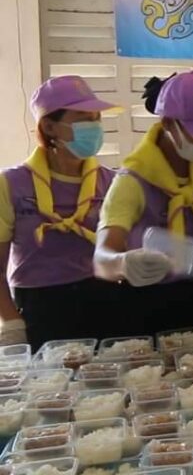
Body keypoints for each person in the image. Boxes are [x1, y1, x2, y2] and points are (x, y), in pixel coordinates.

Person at [94, 71, 193, 336]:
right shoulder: (133, 181)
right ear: (168, 123)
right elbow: (102, 259)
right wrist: (123, 263)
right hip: (153, 301)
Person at [0, 77, 119, 348]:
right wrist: (11, 321)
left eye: (96, 118)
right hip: (41, 310)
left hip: (106, 303)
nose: (94, 126)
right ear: (49, 126)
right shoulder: (11, 185)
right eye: (83, 119)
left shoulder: (111, 182)